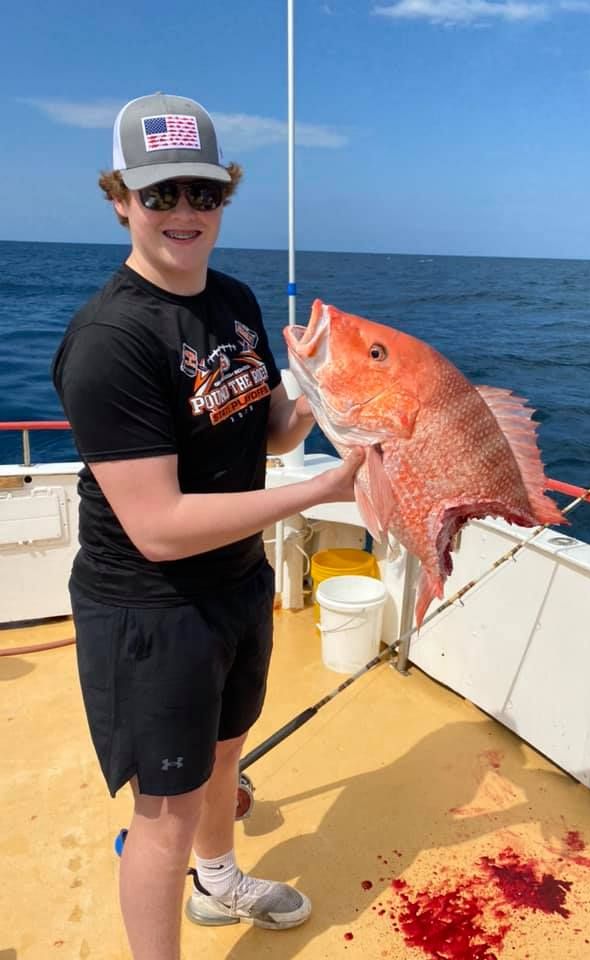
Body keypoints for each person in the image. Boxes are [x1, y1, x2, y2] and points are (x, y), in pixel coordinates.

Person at [51, 92, 363, 960]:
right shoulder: (111, 339)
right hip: (151, 608)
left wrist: (316, 391)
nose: (184, 213)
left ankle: (219, 882)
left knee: (227, 755)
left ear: (225, 195)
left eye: (203, 193)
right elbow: (157, 525)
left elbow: (264, 433)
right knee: (165, 813)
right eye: (159, 195)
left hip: (235, 582)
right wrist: (321, 492)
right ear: (120, 198)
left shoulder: (232, 298)